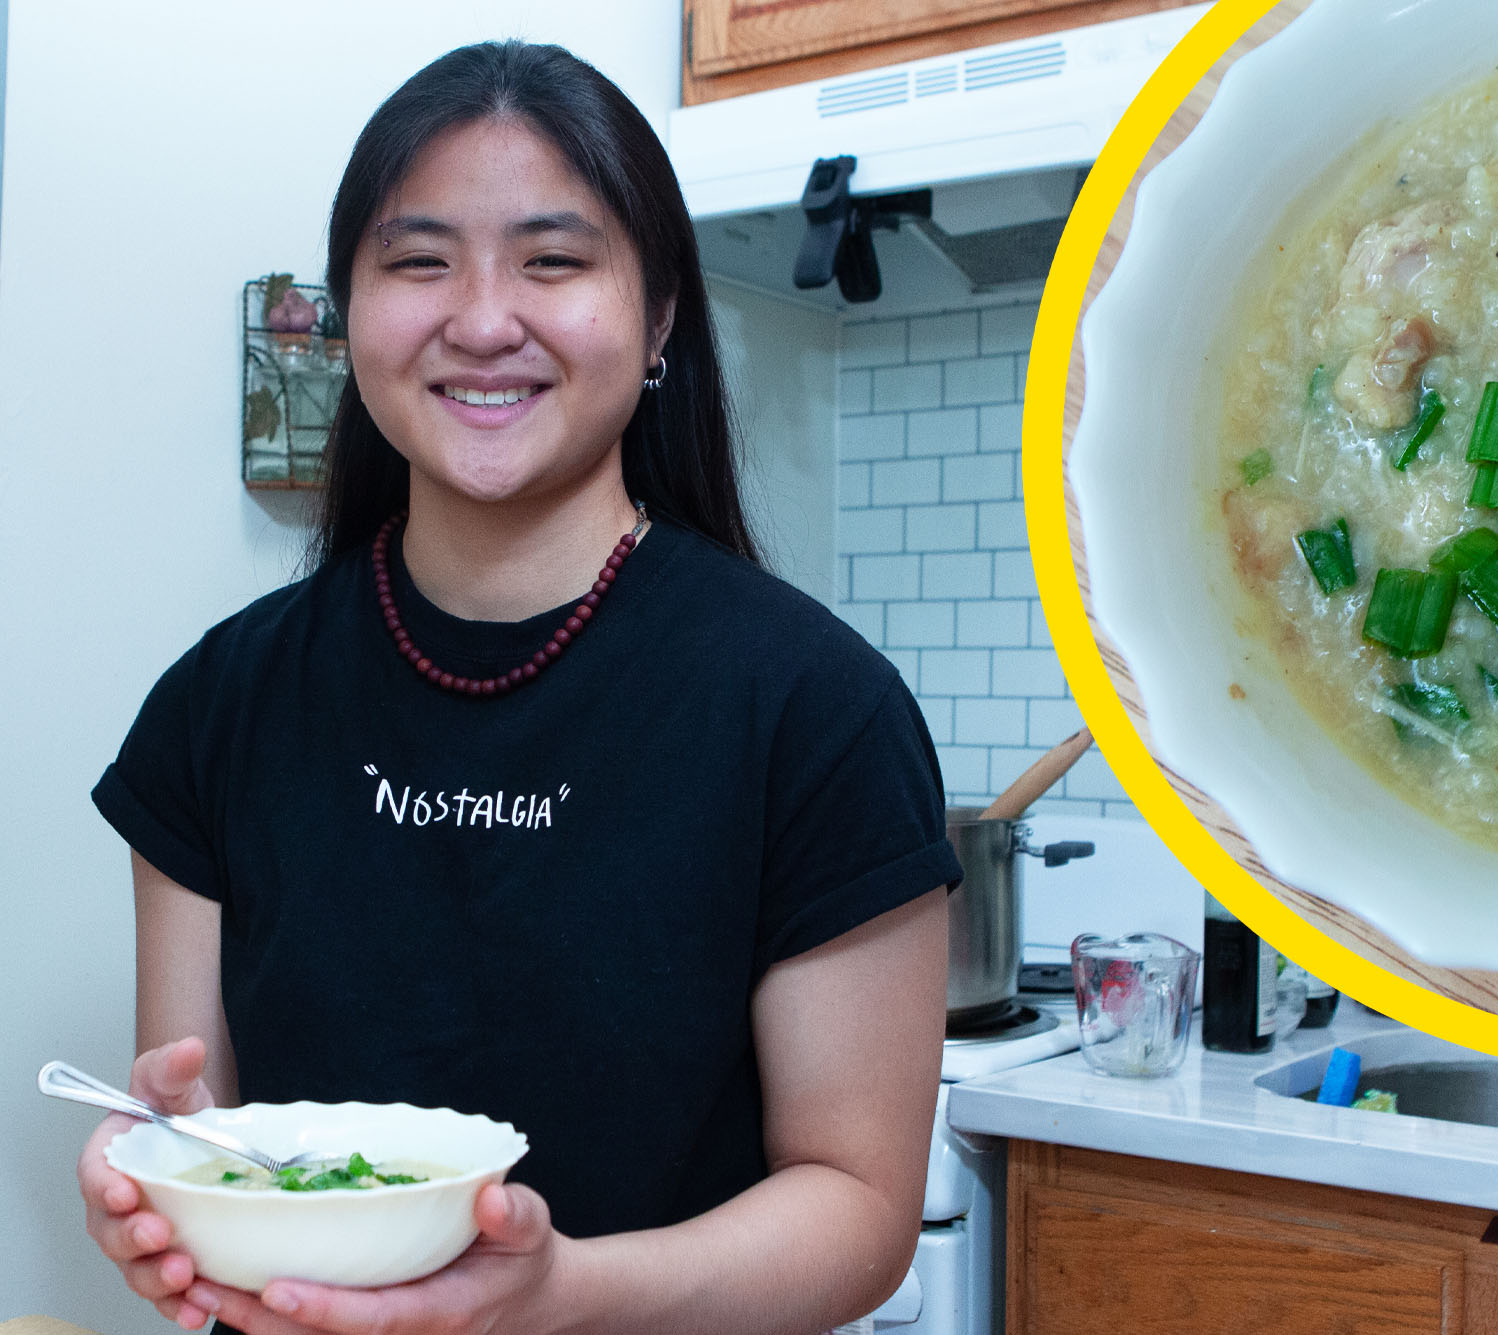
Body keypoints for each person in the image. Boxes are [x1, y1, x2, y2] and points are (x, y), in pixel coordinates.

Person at [76, 39, 961, 1335]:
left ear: (659, 316)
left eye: (553, 260)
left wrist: (567, 1297)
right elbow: (203, 1124)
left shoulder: (814, 709)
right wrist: (166, 1191)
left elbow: (859, 1209)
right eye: (419, 260)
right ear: (351, 311)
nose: (483, 319)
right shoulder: (220, 705)